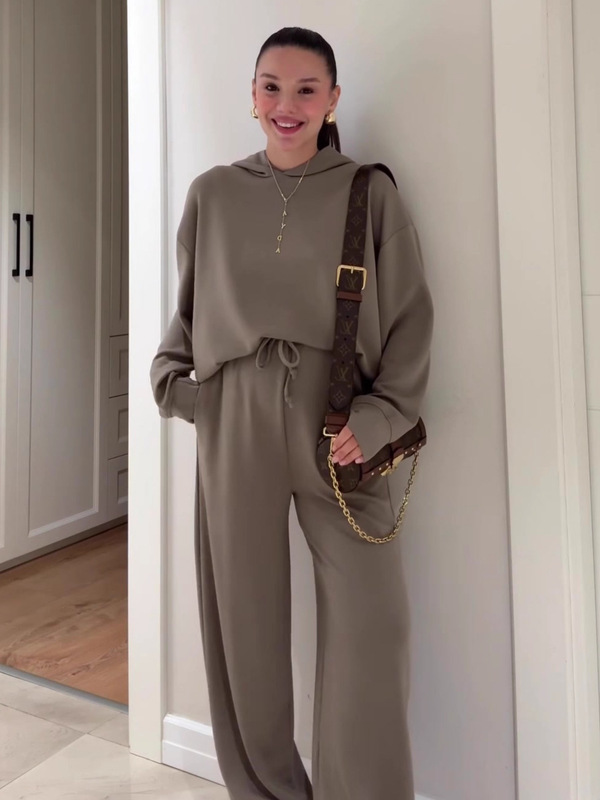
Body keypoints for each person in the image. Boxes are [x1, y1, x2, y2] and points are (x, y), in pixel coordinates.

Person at [150, 26, 434, 800]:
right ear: (251, 95)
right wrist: (194, 396)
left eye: (307, 89)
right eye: (271, 86)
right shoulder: (212, 193)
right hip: (236, 422)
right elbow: (183, 329)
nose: (287, 104)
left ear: (332, 99)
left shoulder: (368, 192)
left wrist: (379, 419)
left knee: (374, 629)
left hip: (337, 427)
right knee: (243, 629)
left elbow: (411, 321)